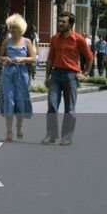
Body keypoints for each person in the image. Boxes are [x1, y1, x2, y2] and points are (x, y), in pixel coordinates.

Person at [43, 12, 93, 146]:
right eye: (59, 21)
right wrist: (47, 77)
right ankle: (51, 135)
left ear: (70, 24)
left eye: (63, 21)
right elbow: (50, 59)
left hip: (71, 76)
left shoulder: (79, 39)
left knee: (69, 108)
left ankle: (66, 137)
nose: (60, 24)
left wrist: (85, 74)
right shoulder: (54, 39)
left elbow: (89, 56)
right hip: (56, 75)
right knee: (52, 105)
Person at [0, 13, 34, 141]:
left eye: (14, 27)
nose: (12, 30)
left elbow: (33, 58)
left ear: (21, 28)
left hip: (21, 74)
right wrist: (4, 59)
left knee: (19, 100)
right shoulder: (6, 41)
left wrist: (22, 58)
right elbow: (0, 56)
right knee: (9, 100)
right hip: (8, 74)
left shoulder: (27, 41)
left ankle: (19, 126)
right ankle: (8, 132)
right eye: (11, 27)